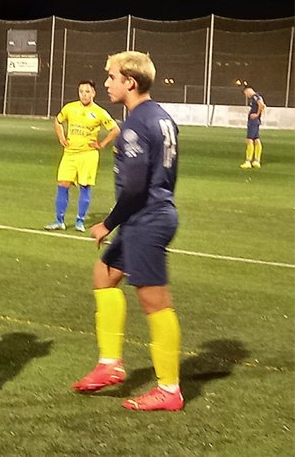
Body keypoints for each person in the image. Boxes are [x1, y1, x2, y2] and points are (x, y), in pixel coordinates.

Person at [72, 51, 183, 411]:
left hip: (145, 218)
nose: (106, 83)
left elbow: (134, 189)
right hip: (152, 213)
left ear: (129, 82)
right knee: (104, 274)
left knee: (155, 302)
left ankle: (169, 389)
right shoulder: (162, 117)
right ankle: (110, 365)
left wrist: (108, 223)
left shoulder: (135, 125)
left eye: (111, 76)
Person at [45, 80, 119, 232]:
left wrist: (102, 144)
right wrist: (61, 137)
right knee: (62, 185)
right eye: (81, 91)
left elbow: (115, 129)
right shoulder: (70, 108)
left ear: (93, 93)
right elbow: (58, 121)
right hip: (70, 154)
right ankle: (59, 220)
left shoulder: (99, 112)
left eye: (87, 91)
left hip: (88, 155)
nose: (84, 94)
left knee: (84, 187)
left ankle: (80, 221)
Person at [240, 85, 266, 169]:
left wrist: (257, 115)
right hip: (256, 121)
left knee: (249, 140)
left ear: (248, 90)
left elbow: (261, 105)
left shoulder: (255, 96)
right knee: (256, 140)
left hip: (253, 122)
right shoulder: (258, 96)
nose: (246, 96)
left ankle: (248, 161)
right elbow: (263, 106)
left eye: (245, 93)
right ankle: (256, 161)